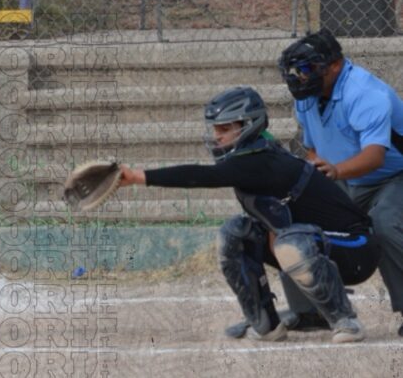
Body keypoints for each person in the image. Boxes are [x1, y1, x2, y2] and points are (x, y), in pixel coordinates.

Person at [118, 86, 379, 343]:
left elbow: (202, 175)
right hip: (318, 244)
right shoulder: (252, 156)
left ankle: (346, 321)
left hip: (356, 248)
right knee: (235, 233)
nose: (216, 136)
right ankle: (266, 323)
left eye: (224, 128)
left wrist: (137, 177)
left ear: (249, 124)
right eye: (215, 128)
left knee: (293, 242)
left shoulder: (262, 161)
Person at [279, 29, 403, 337]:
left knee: (384, 223)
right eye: (295, 70)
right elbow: (312, 148)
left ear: (334, 65)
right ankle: (311, 310)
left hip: (393, 176)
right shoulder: (307, 96)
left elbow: (375, 156)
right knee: (291, 217)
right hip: (348, 177)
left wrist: (334, 171)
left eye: (306, 68)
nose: (298, 76)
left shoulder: (365, 93)